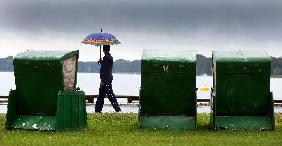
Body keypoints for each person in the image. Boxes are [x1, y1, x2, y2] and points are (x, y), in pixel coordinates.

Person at [95, 45, 121, 113]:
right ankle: (97, 110)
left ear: (103, 50)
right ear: (109, 49)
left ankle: (118, 110)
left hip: (105, 79)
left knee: (110, 95)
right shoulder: (109, 57)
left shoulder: (106, 58)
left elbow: (104, 70)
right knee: (101, 95)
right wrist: (101, 62)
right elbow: (107, 67)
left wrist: (103, 80)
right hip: (108, 78)